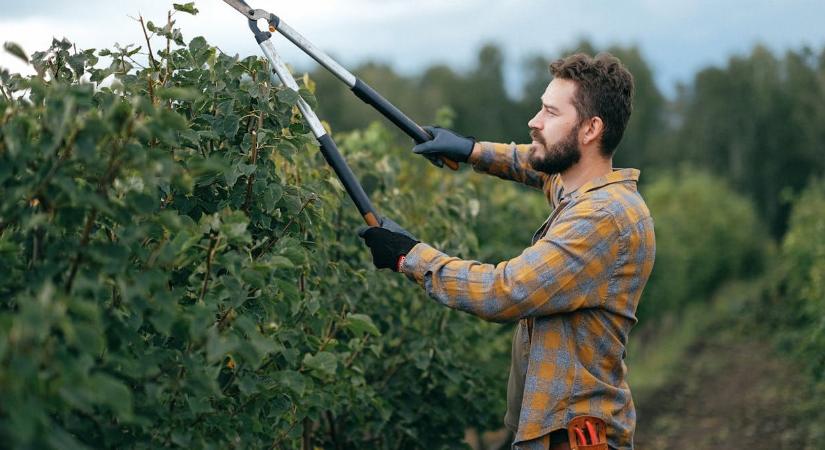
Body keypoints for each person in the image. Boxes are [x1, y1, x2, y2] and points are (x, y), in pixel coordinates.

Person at [358, 53, 655, 450]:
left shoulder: (602, 219)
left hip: (571, 439)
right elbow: (533, 165)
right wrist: (472, 151)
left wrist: (408, 255)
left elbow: (505, 291)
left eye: (550, 112)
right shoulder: (581, 186)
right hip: (551, 431)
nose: (534, 121)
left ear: (590, 129)